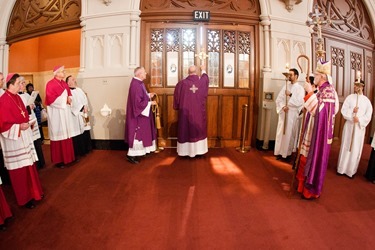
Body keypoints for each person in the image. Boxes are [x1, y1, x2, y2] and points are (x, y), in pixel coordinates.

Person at [0, 73, 44, 209]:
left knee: (29, 166)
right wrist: (19, 126)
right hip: (14, 141)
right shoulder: (3, 100)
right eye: (19, 82)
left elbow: (23, 114)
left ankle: (35, 193)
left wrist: (28, 122)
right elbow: (2, 125)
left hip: (24, 137)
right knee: (20, 171)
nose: (21, 85)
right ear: (11, 83)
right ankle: (24, 199)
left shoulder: (17, 97)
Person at [299, 60, 338, 200]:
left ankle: (310, 190)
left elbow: (320, 113)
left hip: (319, 133)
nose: (314, 76)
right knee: (304, 158)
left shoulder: (329, 91)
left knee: (313, 158)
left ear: (322, 76)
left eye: (316, 74)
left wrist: (309, 93)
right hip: (313, 129)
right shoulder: (321, 89)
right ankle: (301, 186)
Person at [337, 79, 372, 178]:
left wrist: (359, 119)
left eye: (357, 86)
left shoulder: (366, 101)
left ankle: (350, 171)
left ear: (362, 87)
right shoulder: (350, 98)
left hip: (359, 129)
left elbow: (368, 115)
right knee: (346, 145)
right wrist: (352, 113)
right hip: (349, 126)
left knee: (355, 148)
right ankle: (341, 168)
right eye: (354, 85)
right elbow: (343, 111)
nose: (355, 87)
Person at [173, 64, 209, 157]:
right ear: (196, 72)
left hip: (185, 113)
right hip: (198, 113)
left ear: (188, 72)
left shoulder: (182, 83)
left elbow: (176, 97)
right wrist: (203, 70)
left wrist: (177, 106)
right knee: (197, 129)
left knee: (186, 129)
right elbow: (205, 80)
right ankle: (199, 151)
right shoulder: (201, 82)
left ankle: (185, 152)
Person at [124, 66, 157, 164]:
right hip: (138, 116)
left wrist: (148, 95)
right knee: (137, 135)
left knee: (143, 134)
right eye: (144, 72)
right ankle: (131, 155)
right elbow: (137, 104)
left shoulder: (138, 83)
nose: (146, 74)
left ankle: (140, 152)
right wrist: (150, 103)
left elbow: (140, 97)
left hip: (141, 115)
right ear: (139, 74)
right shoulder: (136, 85)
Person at [45, 66, 75, 168]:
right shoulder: (50, 84)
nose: (64, 72)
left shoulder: (64, 83)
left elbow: (69, 94)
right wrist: (64, 100)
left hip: (65, 113)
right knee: (59, 136)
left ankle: (69, 158)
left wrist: (69, 99)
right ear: (56, 73)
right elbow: (50, 99)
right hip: (56, 114)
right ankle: (59, 160)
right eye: (62, 71)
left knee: (66, 135)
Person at [274, 68, 305, 161]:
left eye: (291, 75)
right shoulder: (285, 86)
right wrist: (283, 106)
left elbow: (300, 101)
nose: (289, 77)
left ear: (296, 76)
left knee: (289, 134)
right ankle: (279, 152)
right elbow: (279, 99)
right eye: (288, 75)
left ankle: (287, 154)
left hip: (292, 114)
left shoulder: (300, 88)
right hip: (284, 113)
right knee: (281, 133)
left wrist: (291, 95)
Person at [19, 77, 45, 169]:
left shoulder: (26, 94)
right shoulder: (17, 97)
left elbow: (31, 105)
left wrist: (32, 105)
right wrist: (29, 107)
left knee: (37, 141)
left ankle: (40, 163)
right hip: (27, 122)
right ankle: (35, 164)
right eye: (22, 83)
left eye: (24, 83)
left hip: (33, 119)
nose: (24, 85)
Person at [66, 75, 92, 157]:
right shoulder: (67, 93)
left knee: (86, 129)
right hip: (76, 115)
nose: (75, 80)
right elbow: (71, 104)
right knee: (79, 132)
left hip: (84, 114)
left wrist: (86, 106)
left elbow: (85, 99)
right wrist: (81, 106)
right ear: (68, 82)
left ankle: (88, 148)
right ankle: (80, 151)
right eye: (73, 79)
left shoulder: (79, 89)